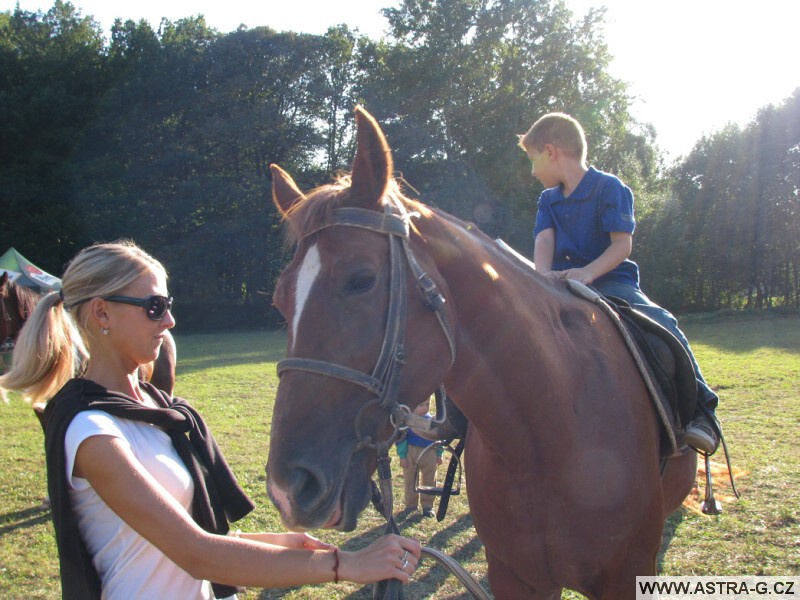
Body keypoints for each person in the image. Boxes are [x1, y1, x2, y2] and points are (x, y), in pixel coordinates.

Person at [0, 240, 421, 599]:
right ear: (101, 314)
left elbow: (183, 541)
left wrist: (285, 546)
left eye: (168, 305)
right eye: (154, 307)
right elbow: (195, 553)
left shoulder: (155, 408)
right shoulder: (93, 432)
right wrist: (344, 564)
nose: (170, 321)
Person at [518, 112, 720, 455]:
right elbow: (544, 241)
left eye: (533, 159)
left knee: (663, 322)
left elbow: (621, 245)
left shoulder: (609, 188)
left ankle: (704, 413)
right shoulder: (548, 200)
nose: (533, 171)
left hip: (611, 280)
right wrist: (541, 277)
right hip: (561, 283)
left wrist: (589, 272)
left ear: (551, 151)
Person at [396, 400, 444, 518]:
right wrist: (402, 456)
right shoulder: (408, 421)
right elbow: (401, 439)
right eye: (421, 405)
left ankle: (428, 506)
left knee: (429, 478)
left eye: (427, 404)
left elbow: (439, 437)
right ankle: (411, 505)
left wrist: (439, 453)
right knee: (410, 479)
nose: (424, 408)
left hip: (429, 451)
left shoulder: (432, 421)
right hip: (411, 451)